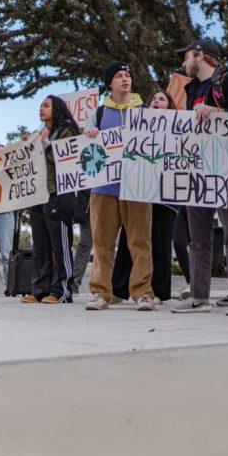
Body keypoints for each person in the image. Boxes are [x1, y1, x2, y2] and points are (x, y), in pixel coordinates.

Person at [172, 39, 228, 315]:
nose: (184, 62)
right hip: (197, 170)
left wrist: (219, 112)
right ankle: (198, 295)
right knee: (197, 237)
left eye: (186, 56)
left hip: (227, 167)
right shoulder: (192, 89)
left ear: (200, 55)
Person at [85, 62, 156, 311]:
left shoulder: (145, 110)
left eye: (127, 75)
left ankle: (143, 292)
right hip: (104, 187)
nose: (125, 79)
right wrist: (90, 133)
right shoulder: (100, 113)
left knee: (140, 241)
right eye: (118, 76)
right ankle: (101, 292)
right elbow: (84, 147)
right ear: (110, 83)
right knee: (102, 242)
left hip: (137, 185)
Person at [111, 90, 179, 303]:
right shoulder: (137, 124)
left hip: (165, 196)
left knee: (159, 240)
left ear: (170, 106)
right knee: (128, 239)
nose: (156, 101)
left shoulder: (179, 128)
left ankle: (158, 291)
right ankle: (119, 290)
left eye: (161, 99)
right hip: (139, 192)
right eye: (153, 99)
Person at [24, 97, 80, 303]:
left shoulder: (68, 129)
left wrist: (46, 143)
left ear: (57, 109)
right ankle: (39, 289)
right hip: (39, 193)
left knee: (60, 244)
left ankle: (62, 290)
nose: (42, 109)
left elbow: (66, 159)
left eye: (46, 105)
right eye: (40, 106)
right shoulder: (40, 133)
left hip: (59, 192)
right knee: (40, 244)